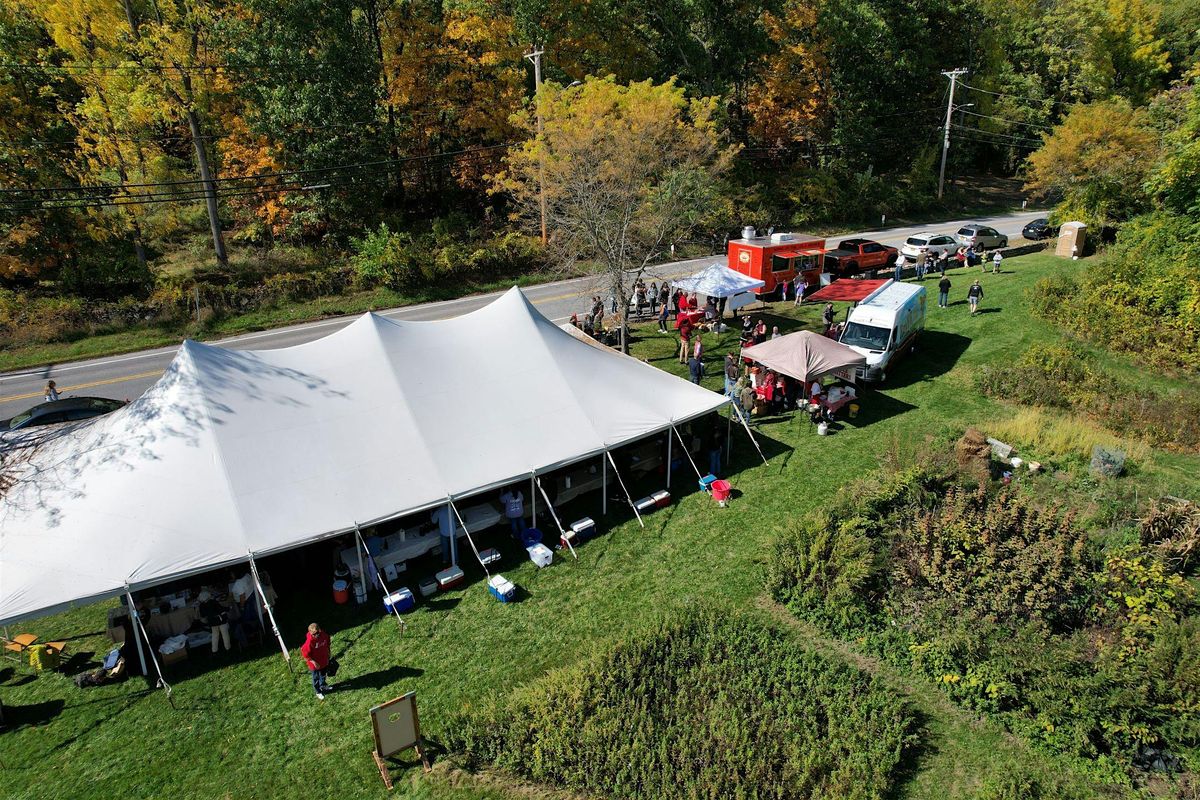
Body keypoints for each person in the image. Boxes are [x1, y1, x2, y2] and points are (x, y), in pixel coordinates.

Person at [301, 623, 334, 700]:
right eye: (314, 634)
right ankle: (318, 691)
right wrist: (314, 662)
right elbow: (305, 654)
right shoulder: (309, 642)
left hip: (323, 660)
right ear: (310, 633)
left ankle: (323, 685)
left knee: (323, 674)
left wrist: (328, 652)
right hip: (315, 664)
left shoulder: (323, 635)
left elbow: (327, 641)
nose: (316, 635)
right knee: (315, 678)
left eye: (318, 632)